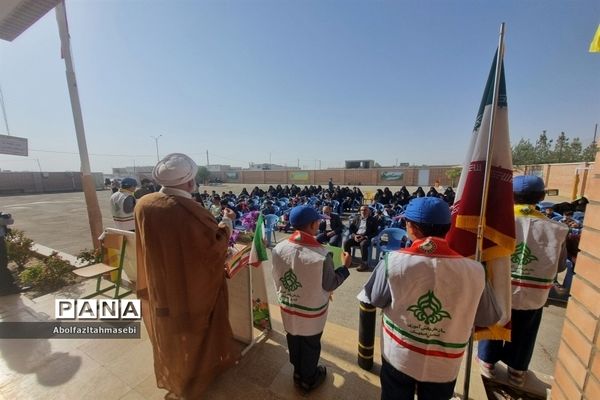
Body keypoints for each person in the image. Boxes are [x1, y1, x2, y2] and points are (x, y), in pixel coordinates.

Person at [359, 197, 501, 400]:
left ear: (411, 227)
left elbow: (374, 298)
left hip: (400, 356)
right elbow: (488, 317)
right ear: (448, 227)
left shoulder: (393, 261)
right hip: (444, 364)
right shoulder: (475, 270)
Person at [135, 153, 239, 399]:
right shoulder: (190, 210)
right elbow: (213, 248)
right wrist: (227, 221)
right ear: (191, 183)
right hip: (191, 288)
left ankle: (175, 372)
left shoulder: (144, 203)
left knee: (171, 331)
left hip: (161, 282)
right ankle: (197, 375)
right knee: (197, 331)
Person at [478, 175, 568, 387]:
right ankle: (517, 371)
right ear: (542, 196)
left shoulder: (496, 224)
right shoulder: (557, 229)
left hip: (498, 287)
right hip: (533, 293)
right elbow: (562, 266)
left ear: (510, 196)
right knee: (525, 330)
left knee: (493, 320)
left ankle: (487, 364)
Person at [271, 205, 352, 393]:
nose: (320, 224)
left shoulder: (279, 247)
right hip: (310, 311)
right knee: (310, 343)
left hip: (289, 306)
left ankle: (298, 371)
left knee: (293, 337)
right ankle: (308, 379)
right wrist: (345, 267)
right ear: (313, 224)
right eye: (318, 221)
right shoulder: (322, 255)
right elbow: (330, 283)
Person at [344, 205, 379, 271]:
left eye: (365, 210)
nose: (363, 211)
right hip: (356, 236)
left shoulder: (373, 220)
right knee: (346, 243)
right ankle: (348, 260)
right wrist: (354, 236)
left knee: (363, 244)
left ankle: (364, 263)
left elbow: (376, 232)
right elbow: (351, 229)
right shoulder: (356, 218)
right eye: (362, 210)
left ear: (369, 211)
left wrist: (365, 237)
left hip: (366, 237)